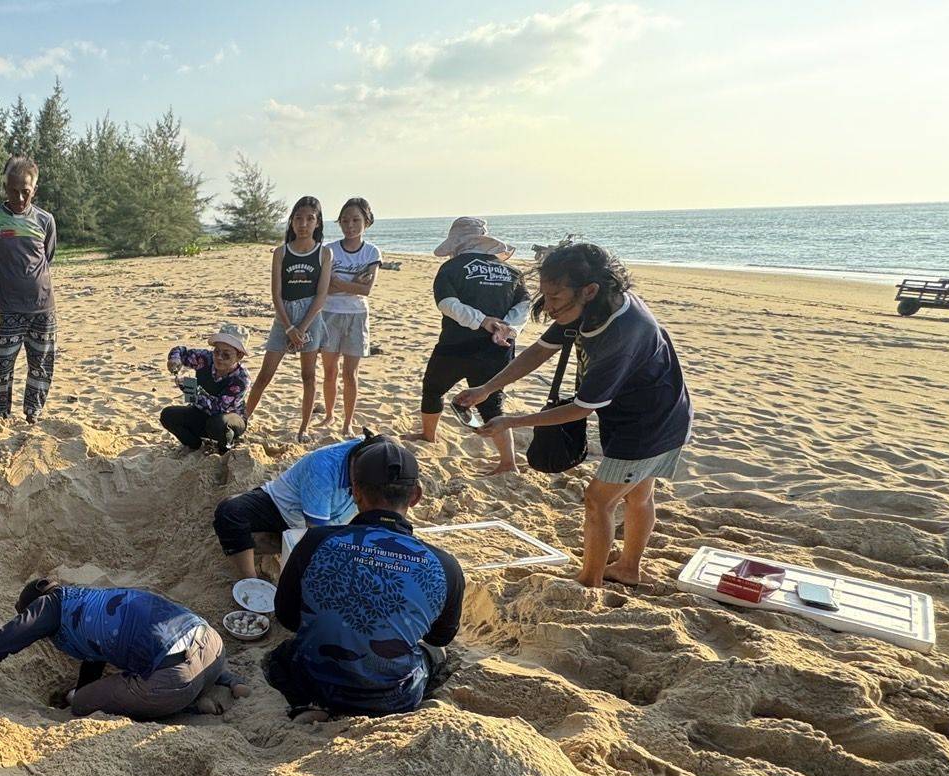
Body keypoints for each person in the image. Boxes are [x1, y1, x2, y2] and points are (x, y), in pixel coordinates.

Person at [455, 242, 693, 588]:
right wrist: (487, 389)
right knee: (639, 495)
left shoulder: (621, 333)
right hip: (651, 412)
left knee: (598, 500)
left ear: (589, 290)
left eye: (554, 297)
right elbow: (539, 351)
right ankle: (628, 568)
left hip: (649, 424)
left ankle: (589, 580)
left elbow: (581, 408)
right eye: (545, 295)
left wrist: (512, 422)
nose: (548, 306)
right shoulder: (588, 308)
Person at [266, 438, 463, 720]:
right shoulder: (444, 565)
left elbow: (287, 617)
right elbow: (439, 636)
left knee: (282, 656)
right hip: (392, 698)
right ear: (416, 496)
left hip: (311, 681)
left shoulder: (315, 542)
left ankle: (312, 706)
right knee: (435, 655)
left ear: (356, 493)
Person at [0, 579, 248, 719]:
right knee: (153, 646)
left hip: (176, 680)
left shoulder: (47, 610)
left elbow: (0, 643)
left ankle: (190, 705)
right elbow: (95, 657)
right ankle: (227, 681)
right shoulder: (87, 600)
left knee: (81, 703)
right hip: (213, 644)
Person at [405, 216, 532, 475]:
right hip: (498, 347)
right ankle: (508, 462)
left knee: (433, 388)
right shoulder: (512, 272)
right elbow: (524, 305)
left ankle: (429, 435)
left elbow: (447, 304)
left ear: (456, 243)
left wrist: (482, 321)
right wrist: (507, 328)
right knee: (492, 402)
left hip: (456, 344)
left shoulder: (451, 268)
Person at [212, 433, 377, 581]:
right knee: (230, 511)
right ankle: (251, 582)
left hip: (328, 527)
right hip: (280, 507)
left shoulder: (382, 468)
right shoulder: (324, 466)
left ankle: (278, 545)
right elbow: (315, 534)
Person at [244, 196, 334, 442]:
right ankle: (244, 418)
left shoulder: (324, 253)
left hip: (310, 318)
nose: (303, 224)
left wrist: (301, 328)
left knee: (308, 376)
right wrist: (289, 327)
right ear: (292, 221)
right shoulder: (281, 253)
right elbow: (276, 294)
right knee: (265, 374)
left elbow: (321, 295)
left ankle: (303, 428)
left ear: (318, 223)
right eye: (298, 218)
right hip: (284, 316)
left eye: (309, 219)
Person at [0, 155, 59, 423]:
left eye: (26, 191)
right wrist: (3, 296)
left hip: (43, 307)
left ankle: (33, 413)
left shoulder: (45, 220)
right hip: (10, 308)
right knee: (2, 366)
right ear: (5, 188)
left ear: (34, 189)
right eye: (14, 191)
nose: (20, 197)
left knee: (41, 364)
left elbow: (47, 256)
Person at [317, 198, 381, 438]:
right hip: (329, 314)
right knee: (330, 370)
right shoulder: (329, 250)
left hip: (357, 315)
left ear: (366, 222)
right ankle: (329, 414)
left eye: (356, 220)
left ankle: (347, 422)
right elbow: (323, 288)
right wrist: (352, 283)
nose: (350, 225)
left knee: (350, 374)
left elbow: (366, 290)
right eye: (345, 220)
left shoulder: (371, 252)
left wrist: (339, 282)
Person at [160, 327, 251, 453]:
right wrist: (175, 359)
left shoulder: (241, 379)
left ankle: (225, 448)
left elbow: (219, 409)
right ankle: (194, 444)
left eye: (226, 354)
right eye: (216, 351)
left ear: (239, 356)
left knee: (218, 423)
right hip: (201, 413)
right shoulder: (205, 358)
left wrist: (191, 389)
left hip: (229, 420)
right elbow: (180, 351)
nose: (219, 357)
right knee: (168, 415)